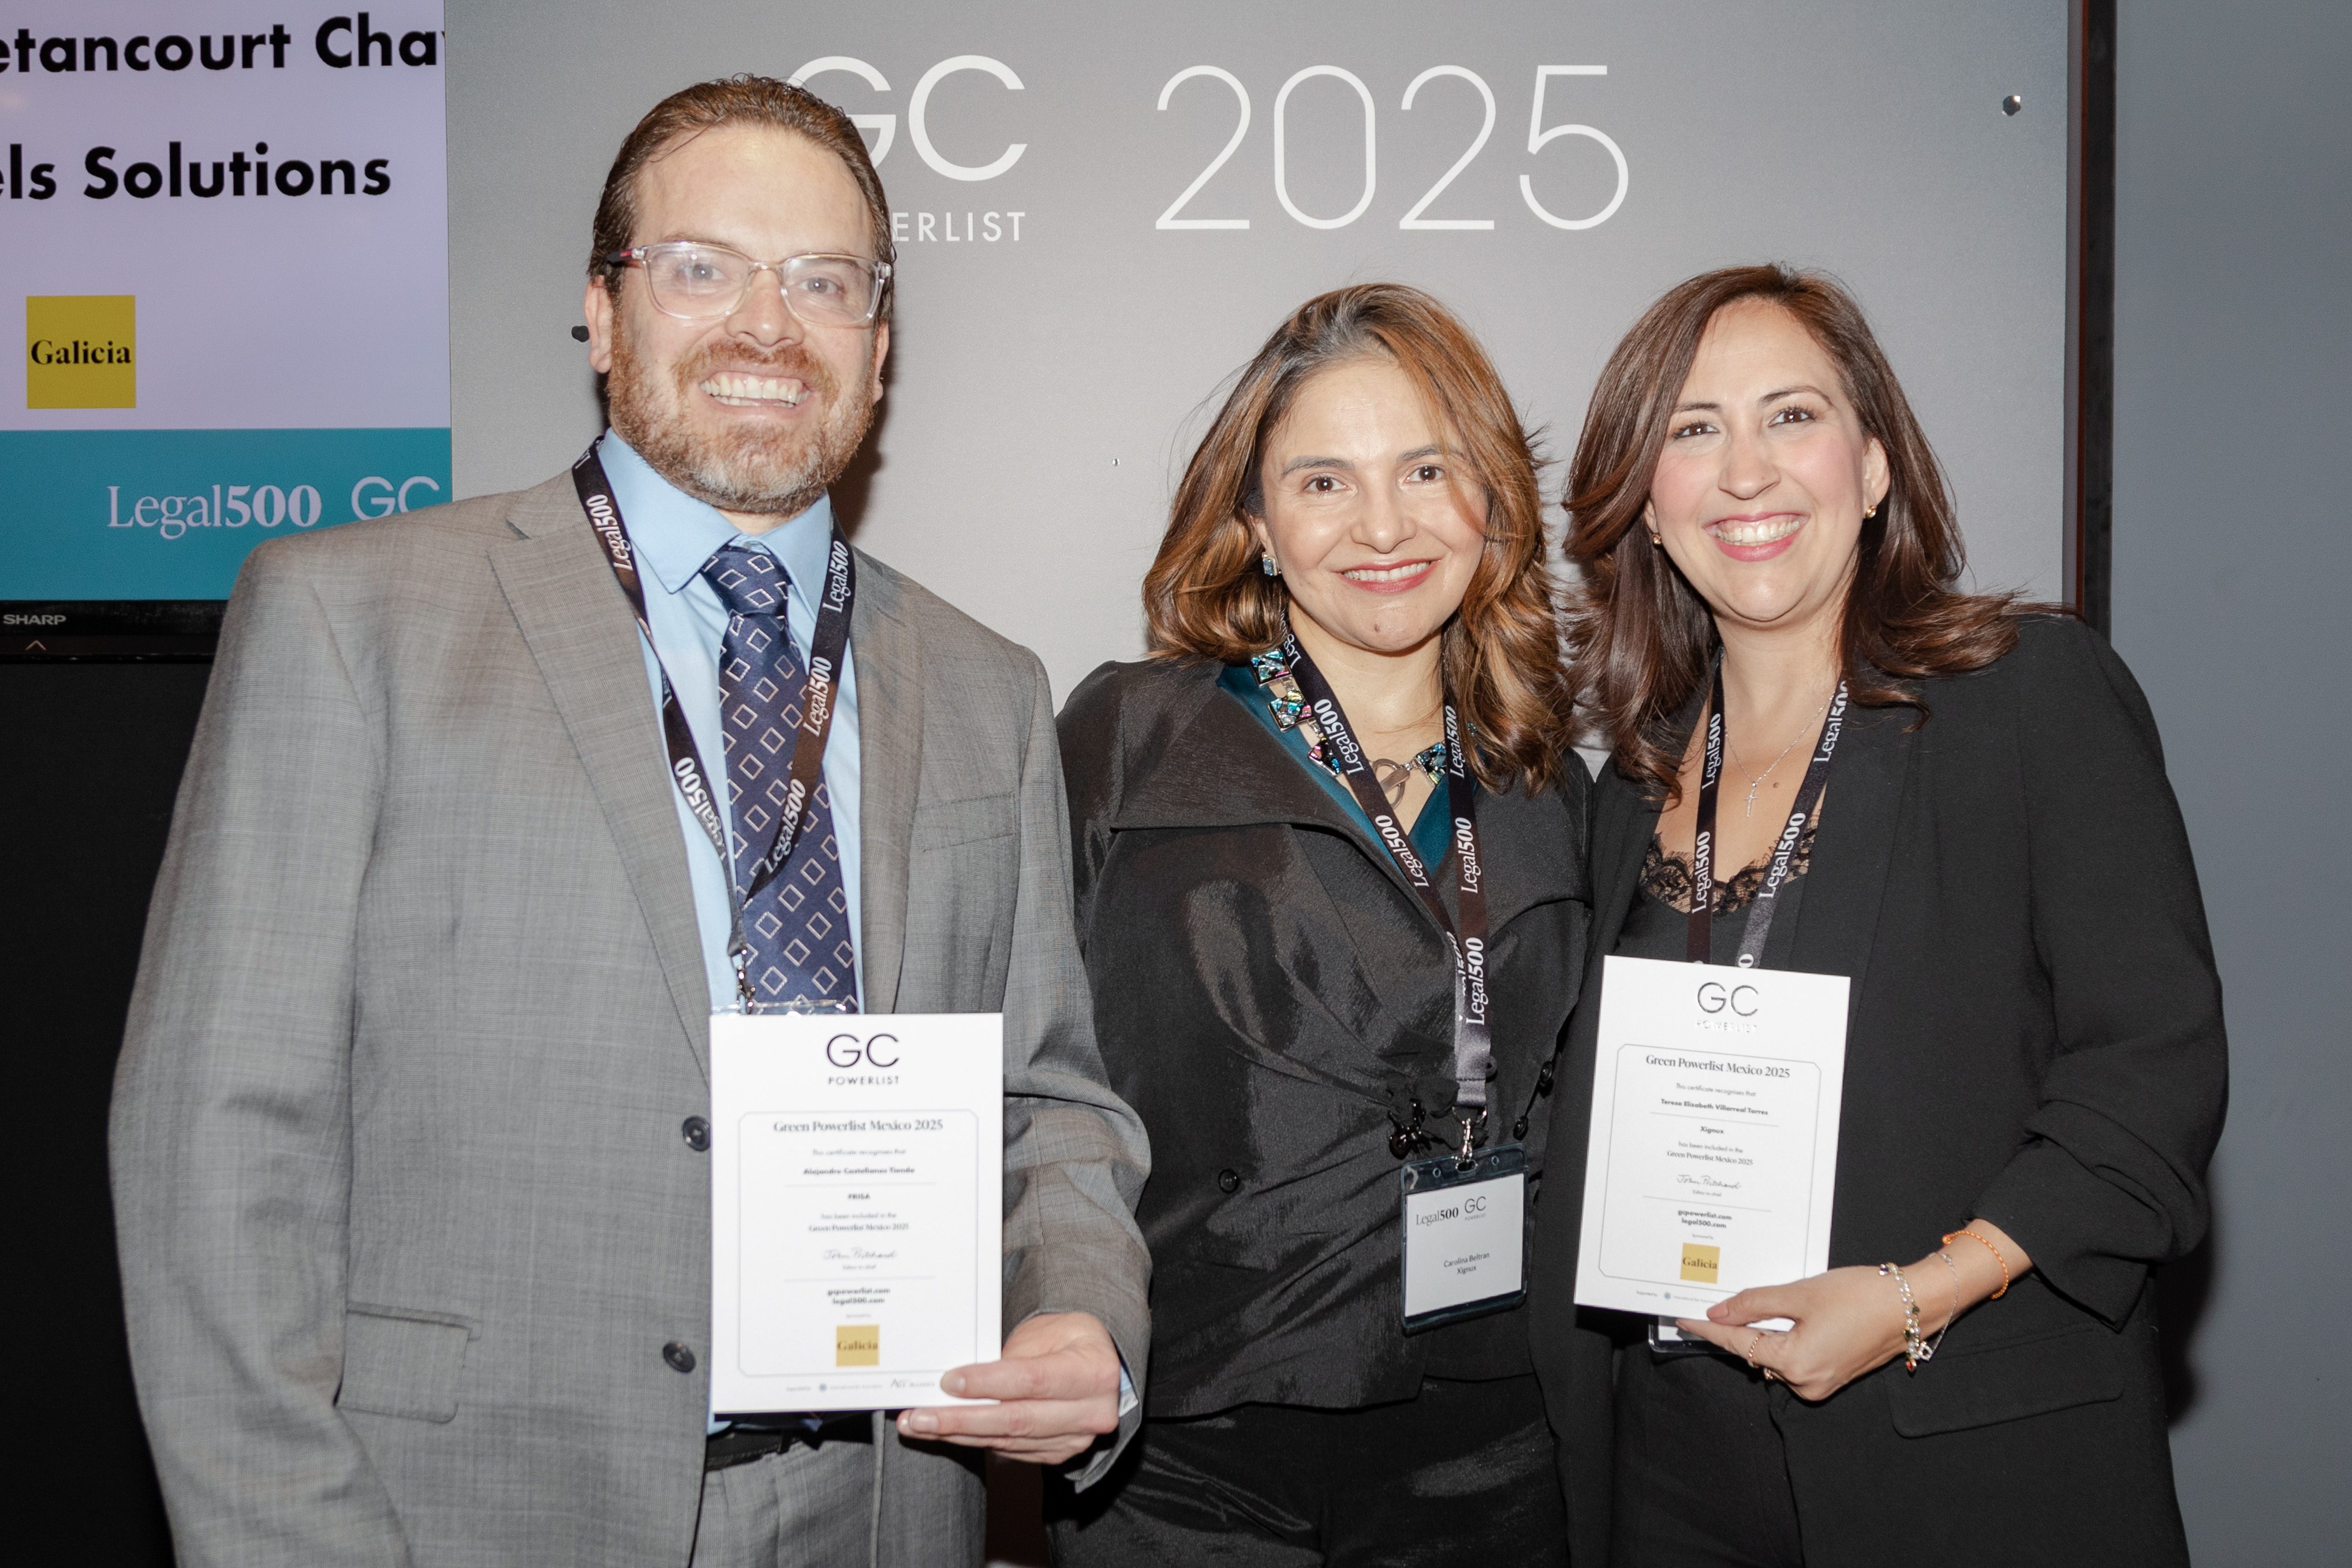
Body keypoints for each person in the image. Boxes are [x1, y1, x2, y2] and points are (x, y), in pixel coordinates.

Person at [109, 76, 1149, 1568]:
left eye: (824, 281)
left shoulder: (989, 685)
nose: (767, 325)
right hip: (472, 1514)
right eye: (702, 267)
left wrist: (1079, 1307)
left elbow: (1048, 1098)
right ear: (603, 312)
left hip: (884, 1505)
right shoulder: (352, 618)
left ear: (880, 343)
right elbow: (218, 1144)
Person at [1526, 264, 2226, 1566]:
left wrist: (1914, 1298)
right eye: (1693, 429)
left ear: (1874, 466)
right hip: (1668, 1469)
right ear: (1647, 507)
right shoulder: (1629, 785)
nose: (1746, 472)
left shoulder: (2029, 697)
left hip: (1962, 1450)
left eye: (1790, 416)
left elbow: (2151, 1079)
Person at [1049, 284, 1597, 1566]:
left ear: (1492, 499)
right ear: (1254, 521)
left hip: (1491, 1431)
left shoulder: (1547, 781)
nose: (1383, 526)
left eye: (1426, 469)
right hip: (1190, 1438)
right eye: (1323, 482)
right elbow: (1027, 1067)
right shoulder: (1131, 736)